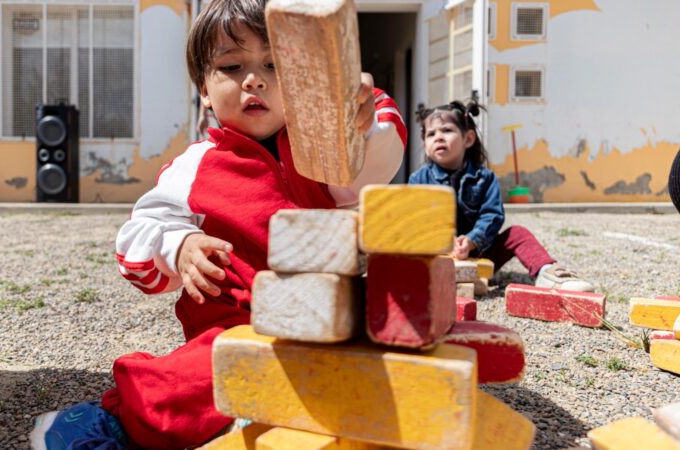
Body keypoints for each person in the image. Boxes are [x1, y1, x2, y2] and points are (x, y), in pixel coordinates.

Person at [32, 0, 407, 449]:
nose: (255, 79)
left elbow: (376, 164)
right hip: (234, 326)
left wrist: (360, 124)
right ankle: (112, 419)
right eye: (231, 66)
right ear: (204, 90)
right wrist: (180, 244)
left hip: (323, 319)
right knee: (197, 382)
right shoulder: (195, 167)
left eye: (274, 63)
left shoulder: (322, 153)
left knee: (389, 356)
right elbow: (136, 237)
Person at [408, 100, 593, 292]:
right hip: (436, 256)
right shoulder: (419, 179)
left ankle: (548, 272)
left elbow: (492, 215)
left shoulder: (485, 178)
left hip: (480, 255)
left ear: (468, 139)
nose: (438, 137)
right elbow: (416, 220)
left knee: (517, 234)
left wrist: (471, 240)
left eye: (446, 130)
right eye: (431, 134)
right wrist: (442, 243)